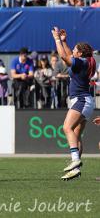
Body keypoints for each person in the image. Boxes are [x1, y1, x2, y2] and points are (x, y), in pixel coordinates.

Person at [51, 27, 96, 181]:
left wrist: (57, 40)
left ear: (80, 53)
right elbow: (69, 54)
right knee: (75, 134)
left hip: (81, 100)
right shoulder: (84, 61)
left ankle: (75, 160)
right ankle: (75, 169)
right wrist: (65, 41)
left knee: (67, 128)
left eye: (76, 50)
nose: (73, 51)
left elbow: (64, 56)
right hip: (86, 101)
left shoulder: (81, 62)